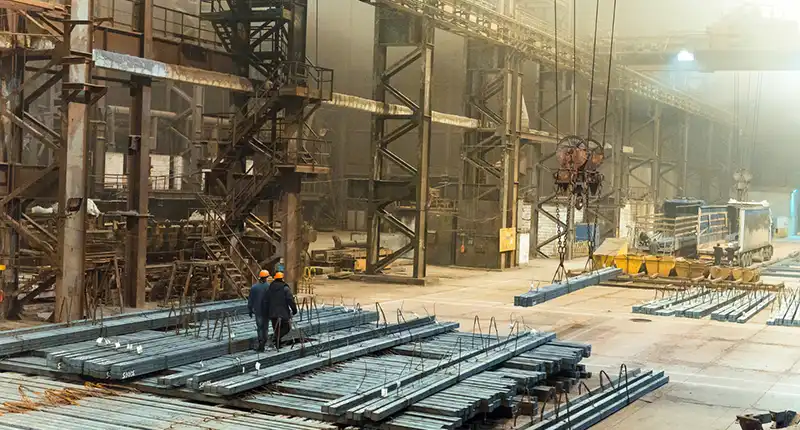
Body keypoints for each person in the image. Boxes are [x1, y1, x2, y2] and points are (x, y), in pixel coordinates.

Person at [264, 271, 297, 350]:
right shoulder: (285, 288)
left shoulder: (270, 288)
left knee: (276, 328)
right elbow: (290, 300)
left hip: (272, 313)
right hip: (283, 313)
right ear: (282, 279)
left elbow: (266, 300)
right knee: (287, 328)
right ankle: (276, 339)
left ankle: (277, 342)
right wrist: (294, 310)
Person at [247, 270, 271, 351]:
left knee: (260, 328)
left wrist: (250, 310)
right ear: (267, 277)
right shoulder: (269, 287)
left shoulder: (254, 288)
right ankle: (264, 342)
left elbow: (250, 300)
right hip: (266, 312)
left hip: (258, 311)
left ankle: (261, 344)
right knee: (266, 327)